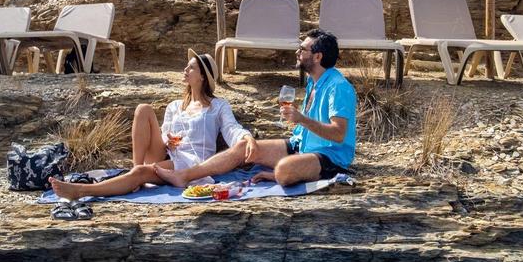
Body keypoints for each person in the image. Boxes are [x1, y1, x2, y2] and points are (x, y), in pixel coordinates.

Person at [154, 29, 356, 188]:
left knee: (284, 170)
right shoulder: (314, 82)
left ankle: (283, 173)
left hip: (330, 157)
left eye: (302, 49)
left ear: (318, 56)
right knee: (245, 148)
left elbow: (338, 134)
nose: (297, 52)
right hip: (301, 145)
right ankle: (183, 176)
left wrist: (301, 119)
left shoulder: (337, 87)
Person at [48, 49, 252, 200]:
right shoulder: (175, 106)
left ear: (202, 76)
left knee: (140, 174)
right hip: (169, 153)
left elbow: (230, 128)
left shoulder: (218, 106)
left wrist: (246, 137)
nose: (185, 69)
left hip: (193, 162)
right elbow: (164, 134)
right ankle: (135, 172)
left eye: (191, 67)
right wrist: (167, 140)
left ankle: (82, 191)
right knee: (143, 109)